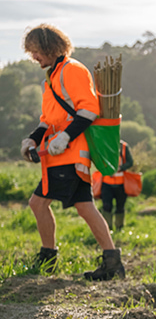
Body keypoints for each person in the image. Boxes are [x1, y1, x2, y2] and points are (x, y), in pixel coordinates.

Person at [20, 24, 125, 280]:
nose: (34, 57)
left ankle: (49, 258)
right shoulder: (51, 78)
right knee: (83, 207)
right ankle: (111, 263)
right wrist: (32, 140)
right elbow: (47, 120)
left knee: (39, 203)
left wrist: (66, 136)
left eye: (35, 51)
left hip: (71, 153)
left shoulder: (72, 70)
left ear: (48, 47)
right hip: (58, 155)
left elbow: (89, 109)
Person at [101, 140, 134, 231]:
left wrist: (120, 168)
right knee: (106, 206)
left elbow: (130, 162)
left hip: (121, 184)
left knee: (120, 206)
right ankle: (107, 229)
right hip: (106, 183)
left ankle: (119, 228)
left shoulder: (124, 146)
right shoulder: (103, 144)